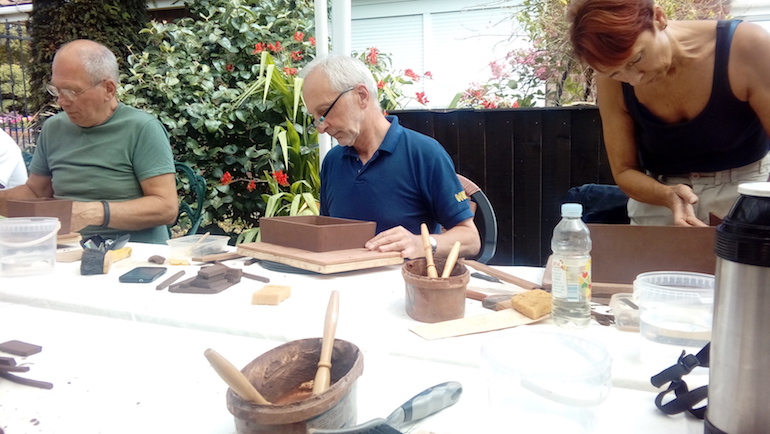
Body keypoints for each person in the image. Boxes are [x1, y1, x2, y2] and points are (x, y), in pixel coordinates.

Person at [568, 0, 770, 226]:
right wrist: (665, 195)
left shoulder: (746, 46)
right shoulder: (610, 77)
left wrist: (762, 207)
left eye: (637, 58)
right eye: (616, 73)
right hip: (657, 199)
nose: (634, 79)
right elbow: (624, 170)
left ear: (659, 18)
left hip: (746, 193)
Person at [299, 55, 481, 259]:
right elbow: (327, 234)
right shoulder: (332, 161)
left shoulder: (424, 153)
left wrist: (422, 243)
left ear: (361, 96)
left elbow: (470, 239)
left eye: (325, 111)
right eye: (315, 118)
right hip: (340, 277)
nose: (321, 127)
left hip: (404, 277)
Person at [0, 39, 177, 243]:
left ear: (109, 89)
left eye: (71, 92)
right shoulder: (54, 128)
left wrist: (94, 212)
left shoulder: (142, 128)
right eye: (57, 90)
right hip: (66, 249)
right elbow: (35, 192)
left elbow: (166, 208)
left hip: (134, 252)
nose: (61, 101)